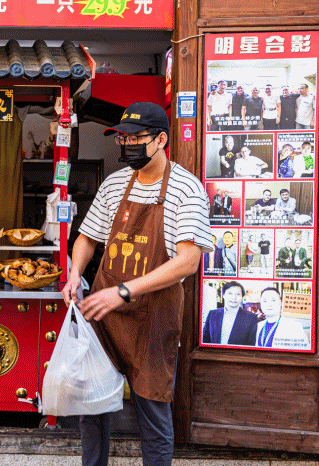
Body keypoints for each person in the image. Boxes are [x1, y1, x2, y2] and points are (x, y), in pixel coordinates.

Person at [62, 101, 212, 466]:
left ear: (161, 139)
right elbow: (87, 238)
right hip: (104, 312)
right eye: (122, 138)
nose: (127, 144)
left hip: (153, 316)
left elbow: (188, 261)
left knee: (152, 411)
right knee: (92, 406)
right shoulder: (115, 184)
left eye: (136, 137)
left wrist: (126, 291)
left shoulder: (186, 189)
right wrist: (75, 273)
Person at [201, 281, 259, 346]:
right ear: (223, 295)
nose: (234, 297)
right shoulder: (212, 314)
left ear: (242, 297)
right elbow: (205, 339)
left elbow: (251, 343)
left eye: (238, 294)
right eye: (230, 293)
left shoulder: (251, 318)